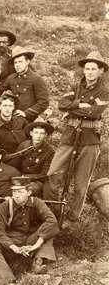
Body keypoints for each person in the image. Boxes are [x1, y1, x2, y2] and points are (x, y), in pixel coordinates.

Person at [44, 51, 108, 224]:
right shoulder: (75, 87)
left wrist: (71, 109)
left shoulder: (104, 91)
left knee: (80, 184)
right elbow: (61, 104)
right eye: (87, 68)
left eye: (94, 69)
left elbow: (93, 112)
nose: (89, 72)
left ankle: (72, 217)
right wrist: (79, 104)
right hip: (69, 137)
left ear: (101, 71)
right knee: (53, 174)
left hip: (89, 141)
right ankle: (51, 213)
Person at [0, 177, 60, 283]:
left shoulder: (37, 202)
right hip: (13, 241)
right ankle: (7, 279)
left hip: (32, 239)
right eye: (14, 191)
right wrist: (13, 246)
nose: (16, 195)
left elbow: (52, 221)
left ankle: (38, 263)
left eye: (20, 191)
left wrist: (36, 245)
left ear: (29, 192)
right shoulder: (6, 205)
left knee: (48, 228)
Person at [0, 46, 49, 122]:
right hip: (12, 117)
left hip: (29, 119)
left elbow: (44, 102)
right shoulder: (11, 78)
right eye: (15, 62)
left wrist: (26, 113)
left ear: (27, 62)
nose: (17, 65)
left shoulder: (36, 79)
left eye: (20, 62)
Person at [9, 117, 55, 196]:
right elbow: (15, 164)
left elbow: (44, 174)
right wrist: (18, 177)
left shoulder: (49, 151)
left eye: (41, 133)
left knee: (30, 190)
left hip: (37, 180)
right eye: (36, 133)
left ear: (45, 135)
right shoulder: (24, 146)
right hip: (20, 177)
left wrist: (26, 177)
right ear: (31, 133)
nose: (38, 136)